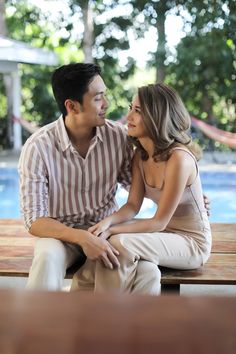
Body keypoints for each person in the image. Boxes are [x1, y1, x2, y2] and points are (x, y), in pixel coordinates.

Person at [18, 62, 161, 291]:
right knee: (47, 257)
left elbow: (138, 185)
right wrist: (82, 238)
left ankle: (126, 327)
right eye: (98, 98)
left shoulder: (118, 138)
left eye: (105, 96)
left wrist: (185, 195)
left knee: (149, 273)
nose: (106, 104)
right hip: (60, 237)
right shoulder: (38, 147)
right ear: (72, 106)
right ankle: (40, 325)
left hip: (105, 232)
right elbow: (34, 221)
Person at [71, 83, 212, 295]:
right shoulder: (140, 155)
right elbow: (132, 205)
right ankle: (103, 306)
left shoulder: (179, 159)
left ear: (157, 117)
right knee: (141, 266)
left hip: (191, 243)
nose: (128, 116)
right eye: (131, 108)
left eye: (138, 111)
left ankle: (99, 312)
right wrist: (106, 222)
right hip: (162, 236)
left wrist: (111, 230)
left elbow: (158, 222)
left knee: (118, 242)